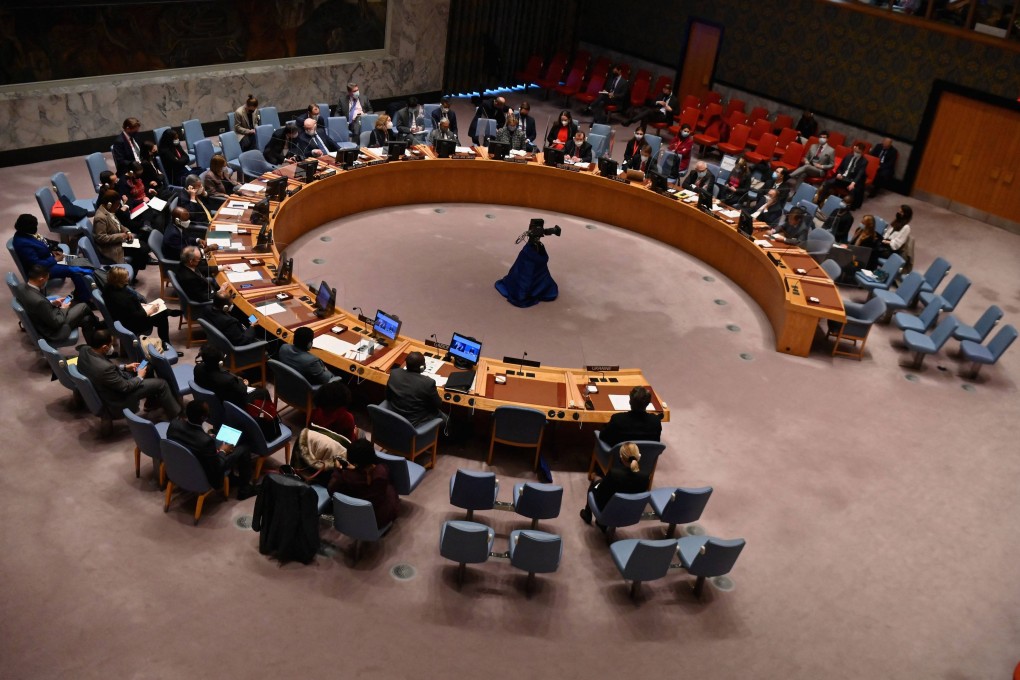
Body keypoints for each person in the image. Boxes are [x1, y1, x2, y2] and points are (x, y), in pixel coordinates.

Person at [77, 329, 181, 419]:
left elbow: (106, 371)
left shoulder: (84, 350)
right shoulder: (105, 369)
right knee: (161, 384)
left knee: (146, 365)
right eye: (111, 345)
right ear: (104, 347)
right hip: (120, 397)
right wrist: (140, 376)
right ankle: (176, 417)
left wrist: (125, 367)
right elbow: (125, 387)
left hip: (112, 381)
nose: (112, 347)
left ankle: (151, 403)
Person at [167, 400, 256, 500]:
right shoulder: (205, 442)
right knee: (244, 448)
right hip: (207, 473)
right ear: (203, 418)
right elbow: (218, 466)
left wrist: (206, 436)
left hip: (181, 467)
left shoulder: (174, 425)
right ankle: (245, 489)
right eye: (208, 415)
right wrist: (223, 451)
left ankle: (232, 478)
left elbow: (188, 440)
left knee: (218, 440)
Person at [11, 214, 92, 301]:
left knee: (82, 262)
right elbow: (36, 264)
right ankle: (83, 298)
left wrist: (52, 251)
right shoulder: (22, 244)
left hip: (49, 258)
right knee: (76, 271)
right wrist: (54, 259)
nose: (36, 228)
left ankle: (82, 290)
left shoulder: (26, 233)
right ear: (27, 227)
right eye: (35, 226)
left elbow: (42, 243)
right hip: (43, 269)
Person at [14, 264, 97, 344]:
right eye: (47, 279)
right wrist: (63, 308)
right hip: (53, 332)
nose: (47, 281)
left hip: (42, 319)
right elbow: (56, 323)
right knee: (83, 306)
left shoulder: (20, 287)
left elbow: (35, 307)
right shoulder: (40, 302)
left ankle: (96, 346)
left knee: (87, 319)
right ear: (41, 279)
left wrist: (51, 303)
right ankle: (100, 325)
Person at [327, 439, 399, 527]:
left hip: (355, 519)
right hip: (382, 518)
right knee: (390, 488)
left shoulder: (346, 477)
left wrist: (337, 470)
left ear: (353, 460)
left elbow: (331, 490)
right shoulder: (382, 471)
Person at [579, 442, 650, 529]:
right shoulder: (645, 477)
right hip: (630, 512)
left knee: (595, 483)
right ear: (638, 456)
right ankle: (601, 524)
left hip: (608, 509)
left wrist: (597, 482)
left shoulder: (614, 474)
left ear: (621, 458)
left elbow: (601, 492)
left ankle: (587, 514)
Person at [103, 266, 176, 347]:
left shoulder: (107, 288)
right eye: (126, 276)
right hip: (133, 324)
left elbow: (126, 307)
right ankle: (166, 344)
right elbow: (139, 316)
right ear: (120, 280)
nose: (128, 277)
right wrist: (152, 310)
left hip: (120, 318)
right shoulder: (127, 297)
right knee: (162, 316)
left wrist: (138, 304)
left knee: (162, 312)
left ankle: (168, 312)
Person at [385, 351, 447, 427]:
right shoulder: (428, 383)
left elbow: (388, 396)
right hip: (412, 422)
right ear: (422, 367)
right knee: (446, 420)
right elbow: (438, 404)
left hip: (394, 414)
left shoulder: (395, 373)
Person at [93, 190, 148, 275]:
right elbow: (101, 238)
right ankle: (129, 276)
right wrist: (121, 236)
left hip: (118, 241)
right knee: (141, 250)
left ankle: (132, 273)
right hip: (111, 247)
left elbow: (119, 225)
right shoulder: (100, 218)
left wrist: (127, 231)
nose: (119, 207)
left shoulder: (109, 210)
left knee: (143, 245)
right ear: (109, 204)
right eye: (117, 204)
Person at [817, 142, 868, 208]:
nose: (856, 153)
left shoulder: (864, 161)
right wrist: (839, 174)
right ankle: (819, 200)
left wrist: (853, 183)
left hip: (851, 181)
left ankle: (846, 208)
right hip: (842, 178)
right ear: (854, 148)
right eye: (856, 151)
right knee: (828, 183)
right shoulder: (848, 156)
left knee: (854, 191)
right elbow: (839, 168)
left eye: (858, 152)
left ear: (862, 152)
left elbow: (860, 174)